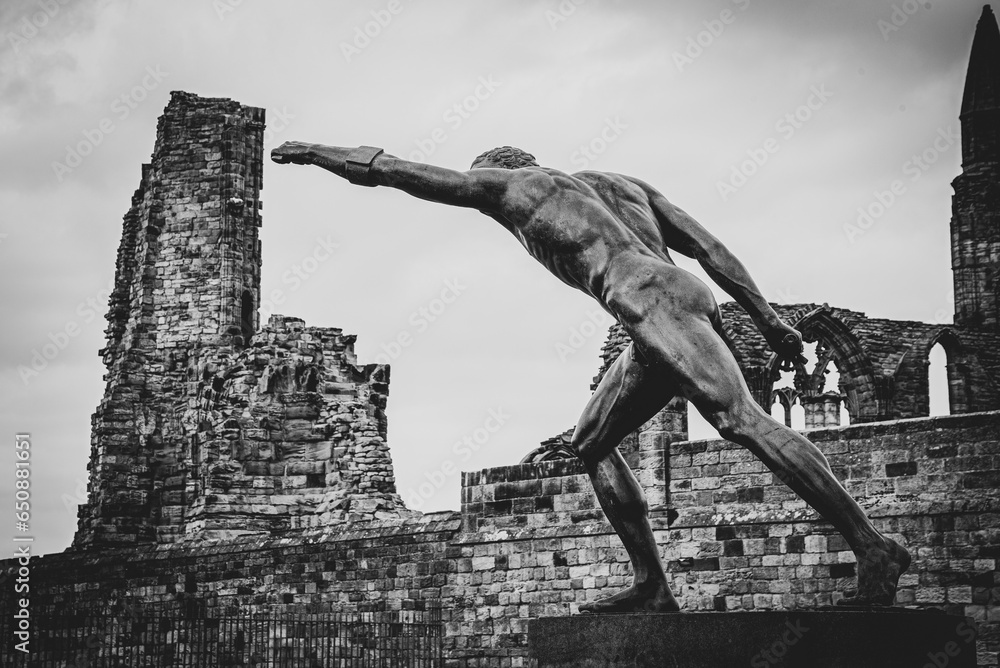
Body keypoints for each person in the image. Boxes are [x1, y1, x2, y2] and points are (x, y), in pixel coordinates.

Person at [271, 142, 910, 612]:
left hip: (650, 304)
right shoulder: (620, 184)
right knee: (591, 442)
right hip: (664, 310)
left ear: (498, 169)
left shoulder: (507, 190)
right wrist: (767, 319)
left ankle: (873, 546)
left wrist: (317, 154)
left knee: (740, 419)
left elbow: (394, 173)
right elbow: (710, 248)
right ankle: (653, 587)